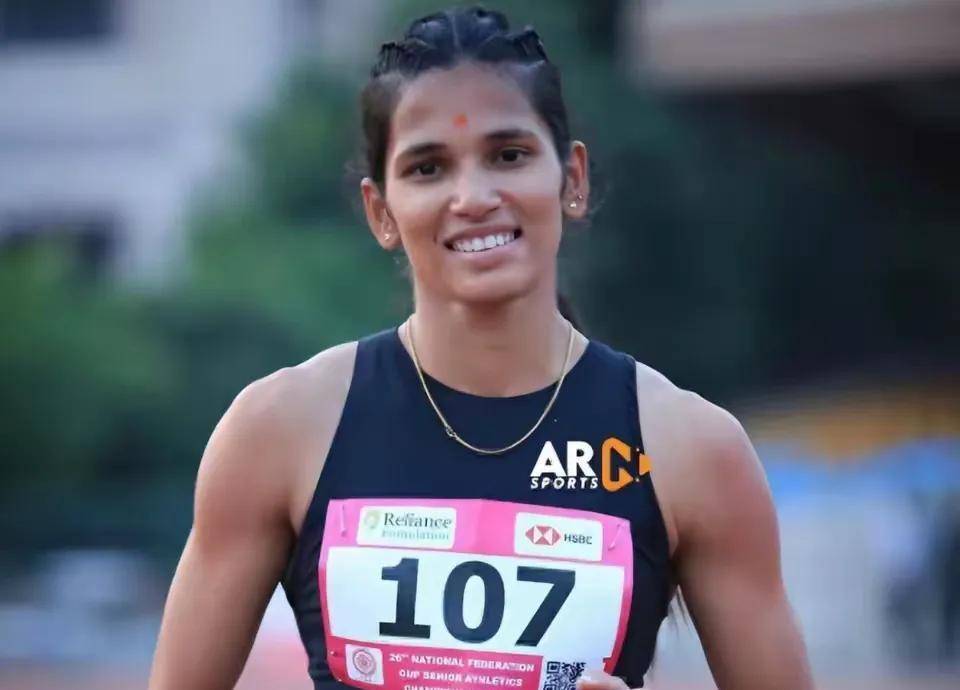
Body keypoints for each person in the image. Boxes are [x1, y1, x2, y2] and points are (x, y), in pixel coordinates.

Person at [148, 6, 813, 690]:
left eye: (508, 155)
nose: (473, 197)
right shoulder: (278, 431)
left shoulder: (690, 448)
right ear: (380, 211)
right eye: (428, 167)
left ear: (572, 179)